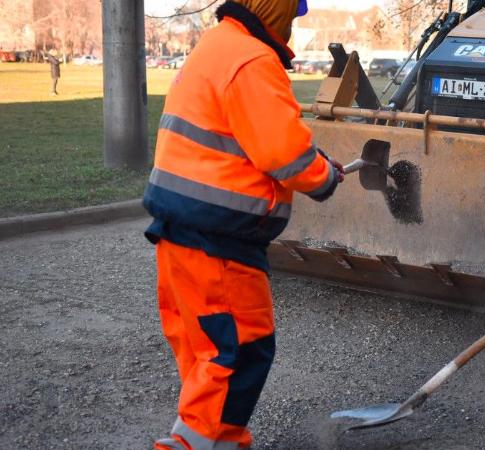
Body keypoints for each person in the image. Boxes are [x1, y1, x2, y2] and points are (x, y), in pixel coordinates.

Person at [141, 1, 343, 448]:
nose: (294, 23)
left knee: (205, 356)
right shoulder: (253, 58)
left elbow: (243, 136)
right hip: (221, 242)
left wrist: (311, 159)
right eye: (293, 11)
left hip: (179, 234)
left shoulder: (216, 46)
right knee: (238, 351)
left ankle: (223, 440)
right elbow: (281, 153)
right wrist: (323, 176)